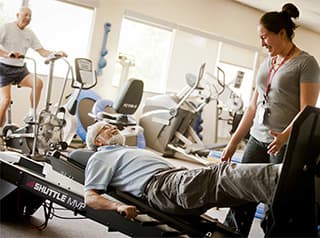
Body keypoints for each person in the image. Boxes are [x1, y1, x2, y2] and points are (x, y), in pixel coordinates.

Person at [221, 3, 320, 236]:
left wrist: (285, 135)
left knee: (274, 204)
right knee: (240, 192)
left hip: (284, 144)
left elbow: (308, 110)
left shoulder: (306, 63)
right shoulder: (267, 62)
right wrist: (233, 143)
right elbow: (253, 106)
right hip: (257, 138)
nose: (262, 43)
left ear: (282, 33)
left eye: (265, 37)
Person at [84, 121, 282, 220]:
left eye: (112, 125)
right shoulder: (100, 156)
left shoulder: (127, 150)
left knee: (242, 193)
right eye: (105, 128)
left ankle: (292, 197)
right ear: (97, 141)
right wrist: (117, 207)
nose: (113, 127)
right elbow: (90, 197)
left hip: (175, 182)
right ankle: (284, 178)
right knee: (221, 172)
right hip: (162, 187)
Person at [0, 6, 67, 127]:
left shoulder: (29, 33)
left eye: (30, 16)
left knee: (38, 83)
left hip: (20, 70)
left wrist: (56, 53)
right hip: (3, 68)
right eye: (25, 15)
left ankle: (32, 114)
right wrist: (7, 54)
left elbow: (41, 51)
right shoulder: (6, 27)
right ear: (17, 15)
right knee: (5, 101)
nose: (28, 18)